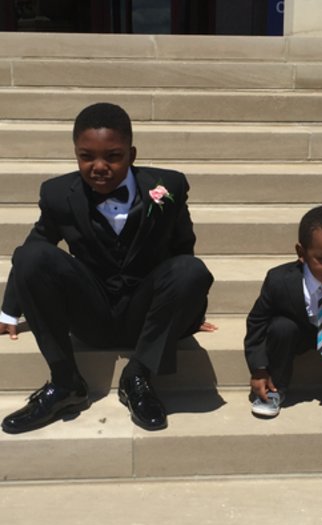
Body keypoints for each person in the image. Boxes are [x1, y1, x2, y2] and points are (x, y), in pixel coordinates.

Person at [0, 102, 214, 434]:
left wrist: (185, 309)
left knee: (191, 269)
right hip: (91, 313)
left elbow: (182, 248)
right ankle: (65, 383)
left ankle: (138, 376)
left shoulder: (168, 187)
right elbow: (34, 249)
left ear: (131, 154)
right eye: (87, 156)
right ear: (76, 154)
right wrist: (9, 311)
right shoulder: (58, 194)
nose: (99, 166)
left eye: (113, 156)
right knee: (31, 255)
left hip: (144, 315)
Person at [244, 205, 322, 418]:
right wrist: (259, 368)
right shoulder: (280, 281)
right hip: (296, 333)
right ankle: (275, 387)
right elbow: (258, 321)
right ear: (301, 253)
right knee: (281, 327)